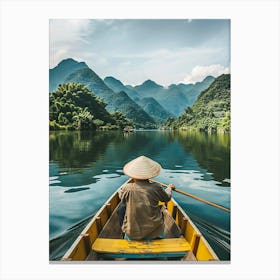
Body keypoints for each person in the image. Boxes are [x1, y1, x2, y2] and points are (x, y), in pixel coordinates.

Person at [118, 155, 175, 240]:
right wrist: (169, 188)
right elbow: (167, 198)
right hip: (155, 233)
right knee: (162, 211)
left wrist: (120, 191)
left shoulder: (127, 188)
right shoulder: (156, 187)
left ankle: (123, 233)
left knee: (121, 209)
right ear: (149, 175)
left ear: (133, 175)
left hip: (132, 234)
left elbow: (121, 198)